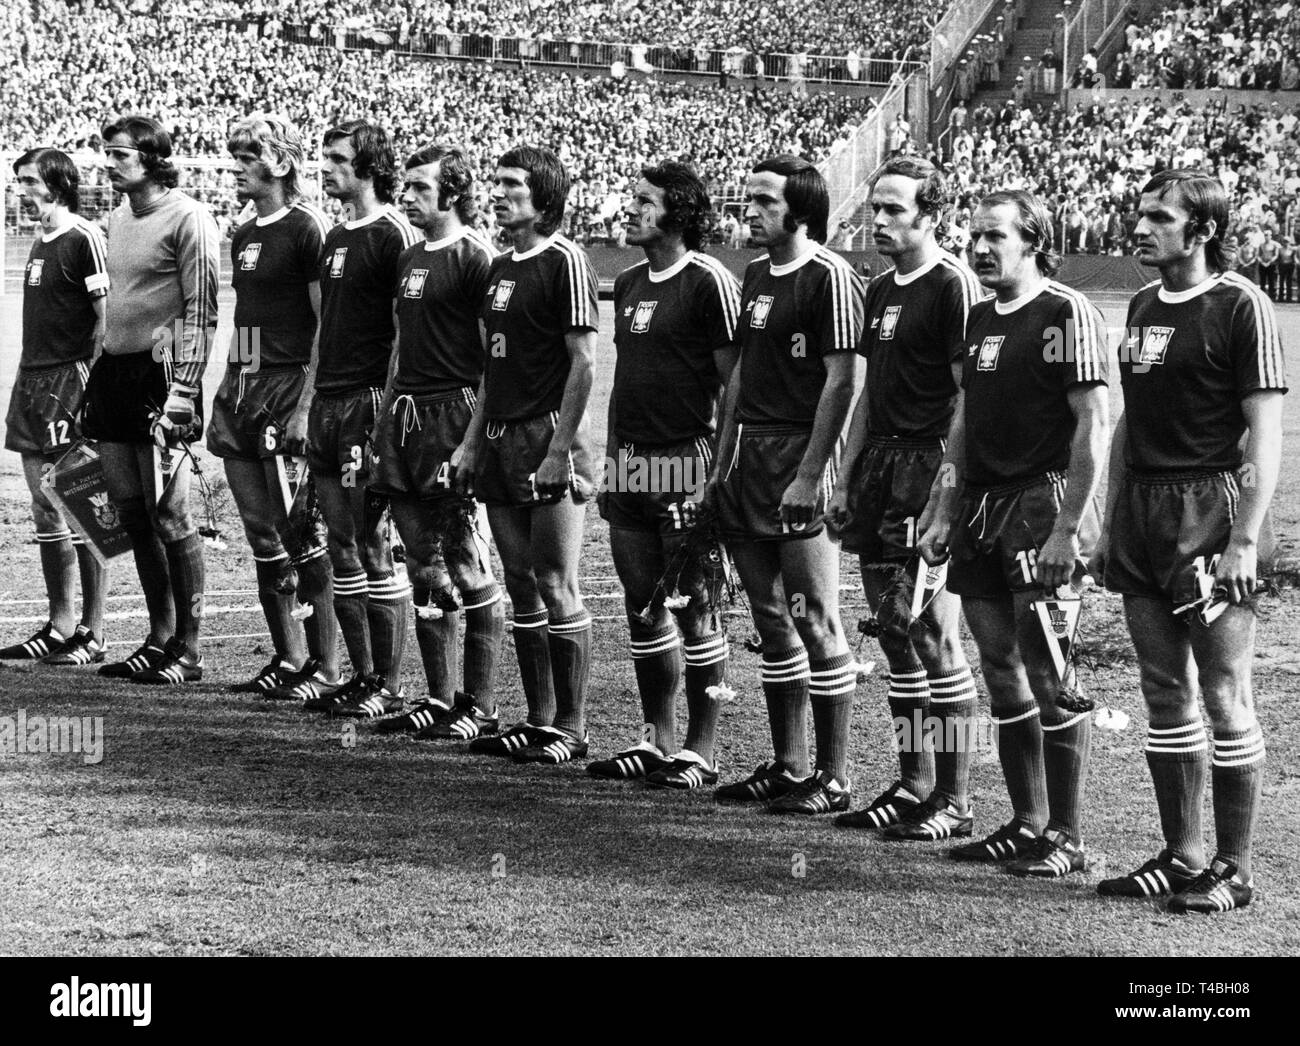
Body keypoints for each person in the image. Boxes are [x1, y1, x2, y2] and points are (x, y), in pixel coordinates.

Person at [1095, 170, 1286, 913]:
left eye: (1160, 218)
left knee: (1224, 691)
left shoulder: (1241, 304)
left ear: (1201, 230)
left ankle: (1233, 869)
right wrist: (1111, 518)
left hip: (1209, 511)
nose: (1141, 228)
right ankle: (1183, 854)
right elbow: (1127, 426)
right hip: (1142, 510)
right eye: (1140, 215)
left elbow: (1264, 439)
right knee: (1163, 689)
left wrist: (1243, 541)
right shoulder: (1143, 304)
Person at [917, 189, 1109, 877]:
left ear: (1034, 240)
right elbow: (963, 419)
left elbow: (1094, 425)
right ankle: (1027, 823)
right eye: (974, 235)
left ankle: (1069, 836)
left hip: (1041, 503)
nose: (980, 247)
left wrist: (1067, 528)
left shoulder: (1066, 312)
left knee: (1050, 671)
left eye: (996, 235)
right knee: (999, 668)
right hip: (981, 508)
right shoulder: (976, 317)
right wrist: (944, 506)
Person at [827, 156, 983, 838]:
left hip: (928, 468)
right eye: (875, 208)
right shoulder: (881, 288)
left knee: (935, 633)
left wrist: (943, 493)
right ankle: (912, 780)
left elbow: (967, 400)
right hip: (879, 469)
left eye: (893, 209)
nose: (879, 220)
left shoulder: (954, 287)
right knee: (894, 632)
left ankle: (954, 796)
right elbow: (868, 391)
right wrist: (843, 473)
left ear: (933, 214)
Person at [711, 155, 865, 813]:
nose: (749, 210)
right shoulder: (753, 274)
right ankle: (787, 763)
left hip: (805, 457)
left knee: (816, 618)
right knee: (771, 619)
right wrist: (721, 463)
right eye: (747, 199)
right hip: (752, 456)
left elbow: (844, 379)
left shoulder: (831, 276)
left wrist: (811, 474)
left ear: (798, 211)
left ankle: (833, 776)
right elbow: (740, 375)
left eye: (763, 201)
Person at [587, 161, 740, 790]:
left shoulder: (709, 282)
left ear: (678, 212)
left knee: (694, 604)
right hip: (631, 461)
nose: (630, 208)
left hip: (686, 457)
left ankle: (701, 748)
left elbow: (735, 386)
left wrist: (718, 473)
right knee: (643, 604)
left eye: (644, 200)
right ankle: (656, 739)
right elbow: (625, 380)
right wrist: (613, 460)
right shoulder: (625, 283)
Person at [454, 145, 600, 765]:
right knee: (519, 582)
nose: (498, 193)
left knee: (554, 581)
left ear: (543, 199)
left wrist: (559, 450)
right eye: (497, 182)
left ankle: (572, 724)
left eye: (512, 185)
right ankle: (538, 718)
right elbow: (491, 366)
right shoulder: (498, 268)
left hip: (546, 436)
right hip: (497, 438)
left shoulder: (565, 261)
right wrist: (468, 441)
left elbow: (584, 363)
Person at [368, 143, 506, 740]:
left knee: (467, 563)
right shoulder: (408, 258)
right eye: (408, 187)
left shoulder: (478, 257)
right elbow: (400, 341)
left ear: (452, 193)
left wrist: (472, 441)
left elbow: (494, 360)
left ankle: (480, 703)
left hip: (456, 415)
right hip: (404, 418)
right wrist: (380, 426)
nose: (409, 197)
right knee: (421, 561)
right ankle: (438, 694)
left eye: (422, 188)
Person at [82, 115, 219, 685]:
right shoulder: (116, 217)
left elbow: (202, 310)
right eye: (106, 153)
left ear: (152, 158)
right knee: (132, 512)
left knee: (170, 513)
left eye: (119, 154)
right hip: (116, 374)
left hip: (162, 379)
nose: (109, 164)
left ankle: (189, 646)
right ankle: (159, 635)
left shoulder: (189, 217)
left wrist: (185, 391)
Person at [206, 114, 338, 698]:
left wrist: (305, 403)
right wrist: (234, 378)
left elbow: (323, 325)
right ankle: (287, 659)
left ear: (279, 164)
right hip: (243, 387)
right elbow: (249, 320)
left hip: (287, 389)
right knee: (261, 533)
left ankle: (325, 667)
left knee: (302, 533)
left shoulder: (308, 229)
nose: (235, 168)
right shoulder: (244, 232)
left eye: (245, 158)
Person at [302, 119, 417, 717]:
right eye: (325, 157)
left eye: (339, 159)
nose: (327, 167)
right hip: (327, 403)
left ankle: (389, 687)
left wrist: (385, 414)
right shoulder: (334, 236)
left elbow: (405, 331)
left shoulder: (393, 232)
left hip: (367, 403)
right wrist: (306, 403)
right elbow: (324, 327)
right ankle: (362, 674)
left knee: (372, 544)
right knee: (340, 543)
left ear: (370, 166)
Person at [0, 148, 109, 666]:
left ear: (56, 183)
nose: (20, 189)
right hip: (32, 381)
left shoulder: (83, 238)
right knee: (45, 508)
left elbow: (106, 319)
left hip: (72, 381)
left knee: (86, 504)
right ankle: (58, 624)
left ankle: (93, 631)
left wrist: (91, 389)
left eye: (27, 181)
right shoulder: (38, 242)